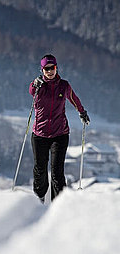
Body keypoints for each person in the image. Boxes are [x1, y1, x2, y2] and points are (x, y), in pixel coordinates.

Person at [29, 54, 90, 203]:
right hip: (40, 134)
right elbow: (31, 90)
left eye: (52, 68)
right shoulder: (38, 86)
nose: (50, 71)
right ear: (42, 70)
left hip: (60, 134)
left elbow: (74, 99)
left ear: (56, 68)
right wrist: (35, 84)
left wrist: (82, 112)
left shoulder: (64, 85)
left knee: (57, 172)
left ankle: (59, 205)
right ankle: (39, 199)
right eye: (46, 69)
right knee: (40, 169)